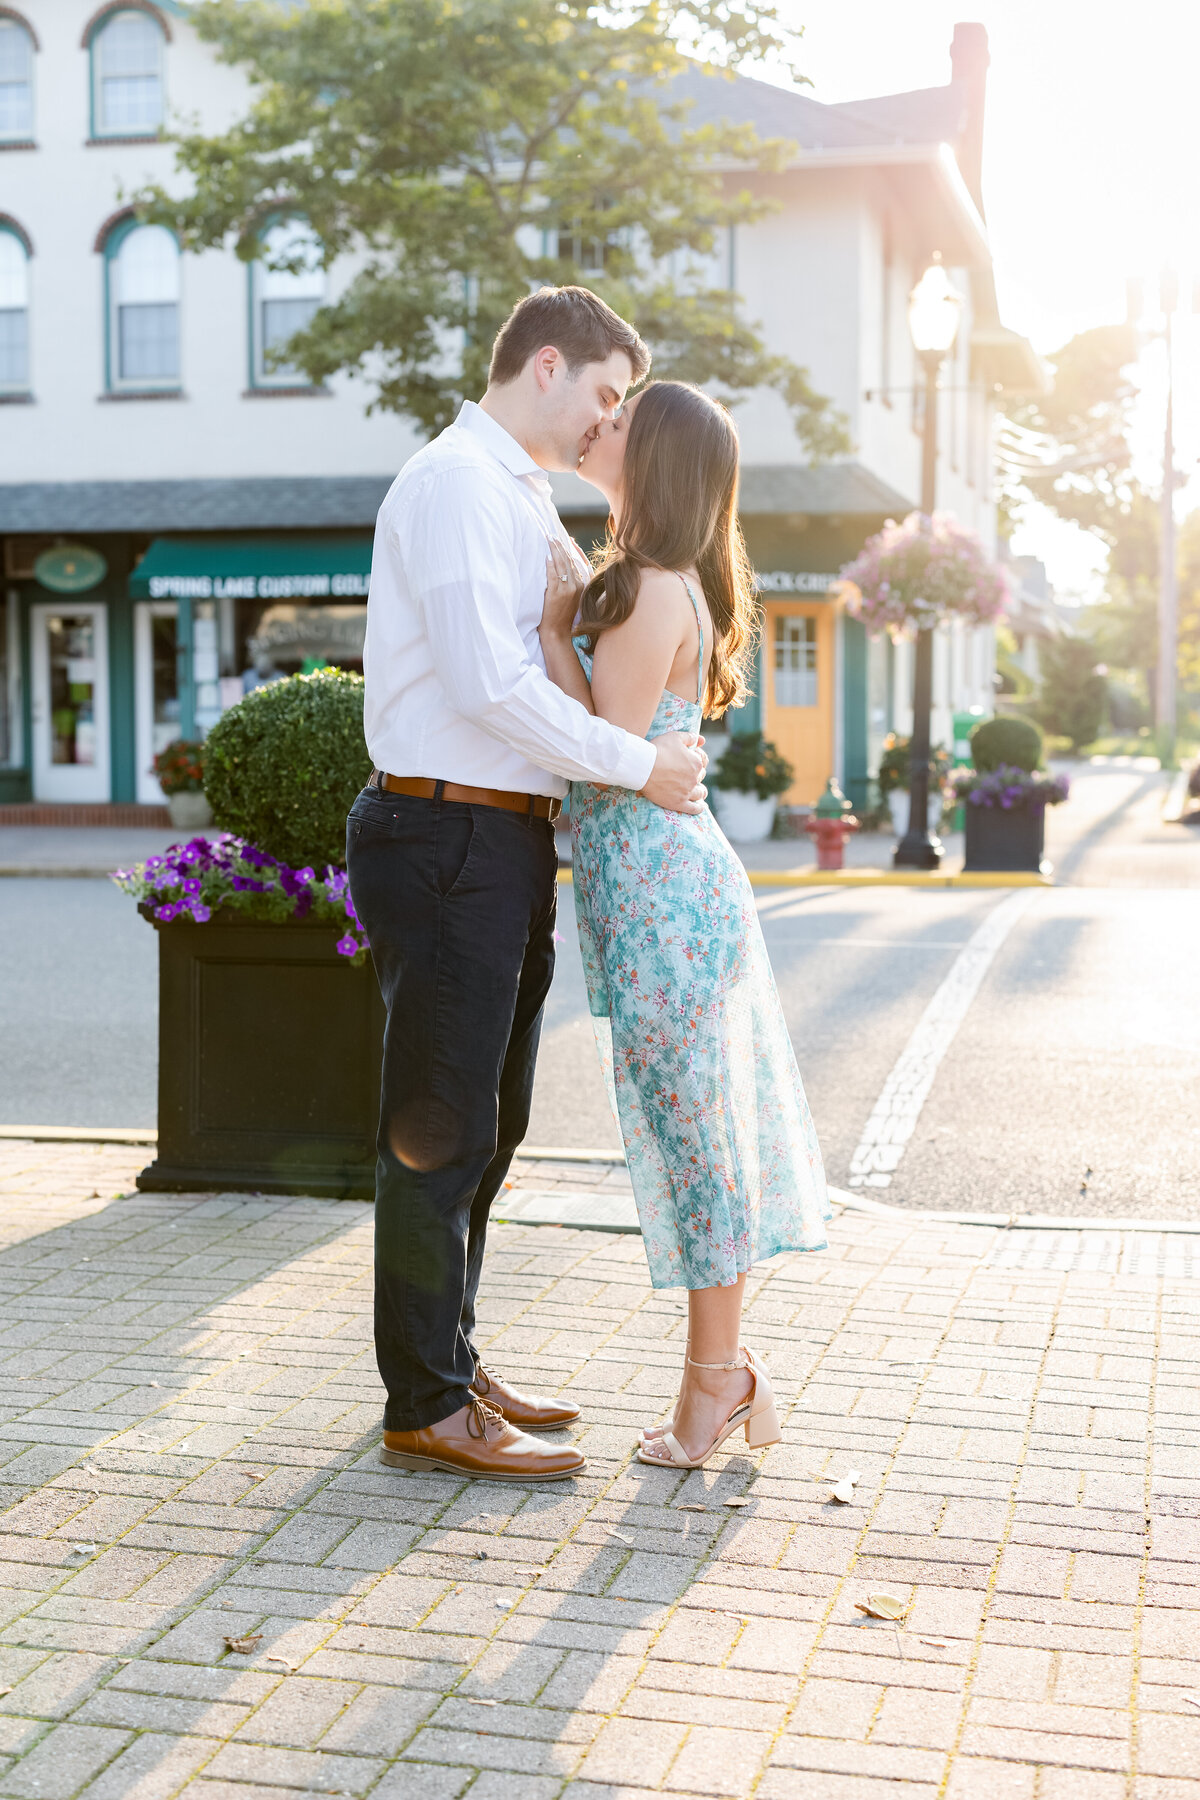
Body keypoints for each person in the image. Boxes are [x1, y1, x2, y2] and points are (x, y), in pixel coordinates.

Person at [346, 288, 708, 1484]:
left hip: (495, 841)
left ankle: (448, 1358)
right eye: (604, 394)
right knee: (438, 1130)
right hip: (443, 834)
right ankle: (426, 1404)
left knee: (482, 1128)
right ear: (543, 365)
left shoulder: (515, 494)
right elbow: (488, 686)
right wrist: (641, 764)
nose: (611, 417)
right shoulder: (455, 485)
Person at [539, 380, 829, 1471]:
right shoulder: (652, 580)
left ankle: (716, 1384)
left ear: (653, 456)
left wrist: (549, 627)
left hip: (663, 891)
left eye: (620, 419)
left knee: (695, 1138)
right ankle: (723, 1375)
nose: (599, 423)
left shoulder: (653, 588)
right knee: (689, 1129)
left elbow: (596, 743)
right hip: (651, 887)